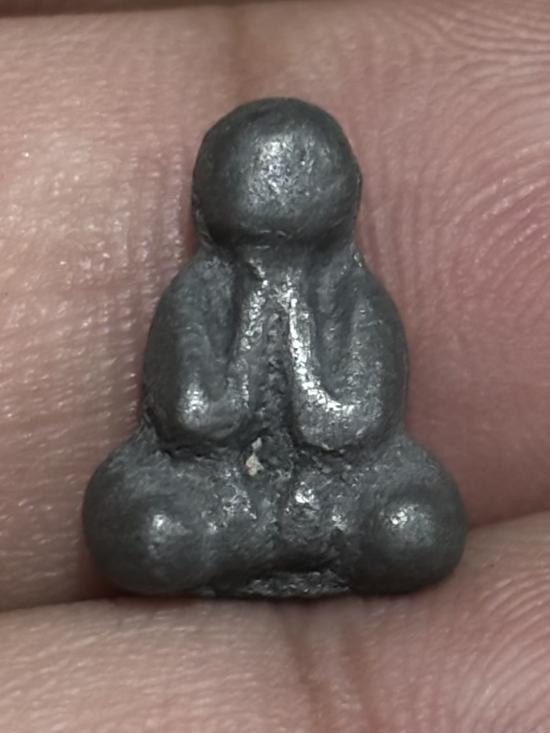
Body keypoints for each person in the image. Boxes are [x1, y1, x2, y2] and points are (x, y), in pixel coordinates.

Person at [0, 0, 549, 730]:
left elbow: (351, 427)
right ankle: (248, 544)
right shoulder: (194, 295)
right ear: (212, 210)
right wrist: (259, 310)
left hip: (331, 490)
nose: (273, 261)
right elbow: (193, 421)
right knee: (147, 530)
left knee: (415, 526)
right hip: (218, 491)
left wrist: (288, 323)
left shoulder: (359, 298)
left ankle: (291, 543)